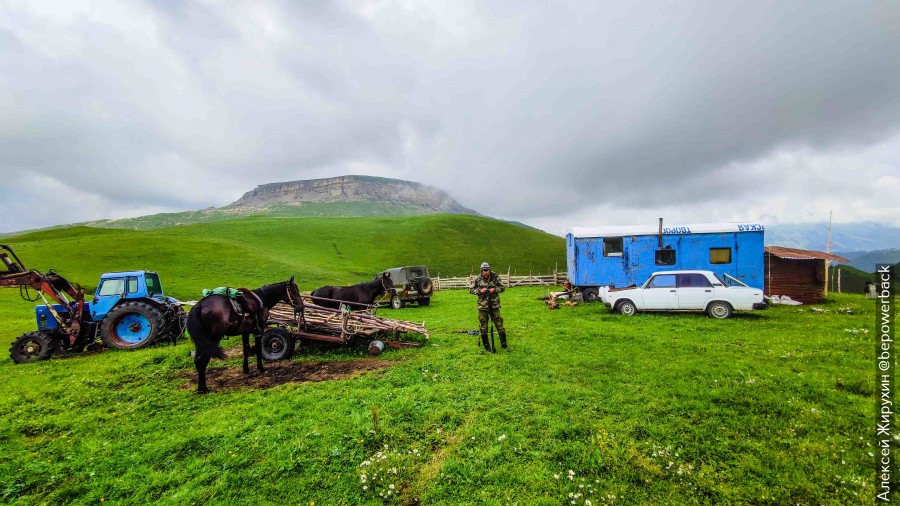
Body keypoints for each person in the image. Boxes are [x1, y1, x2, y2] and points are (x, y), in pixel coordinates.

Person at [469, 261, 507, 351]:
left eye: (487, 273)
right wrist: (480, 291)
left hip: (494, 305)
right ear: (481, 271)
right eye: (484, 274)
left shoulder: (495, 276)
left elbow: (503, 287)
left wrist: (495, 289)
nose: (486, 275)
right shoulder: (477, 279)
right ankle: (487, 345)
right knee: (484, 325)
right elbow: (470, 289)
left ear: (489, 270)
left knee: (499, 323)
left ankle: (504, 344)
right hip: (482, 306)